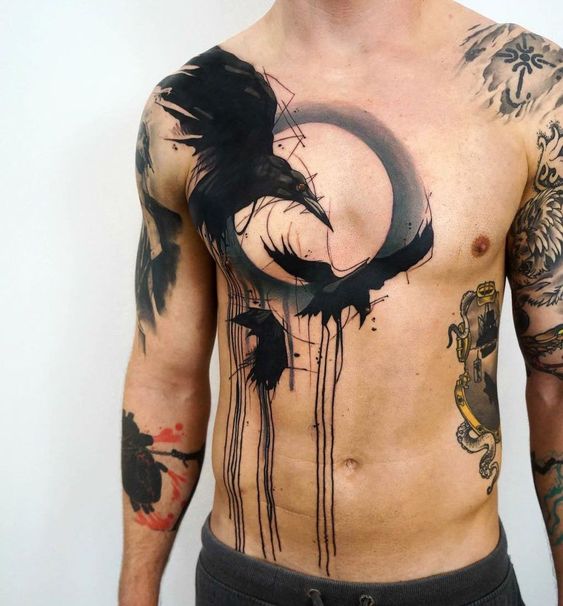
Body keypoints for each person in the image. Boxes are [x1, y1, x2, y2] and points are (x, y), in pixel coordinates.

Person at [118, 1, 563, 604]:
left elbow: (557, 382)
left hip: (454, 585)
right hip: (248, 581)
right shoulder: (186, 108)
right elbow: (165, 378)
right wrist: (136, 590)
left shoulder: (532, 94)